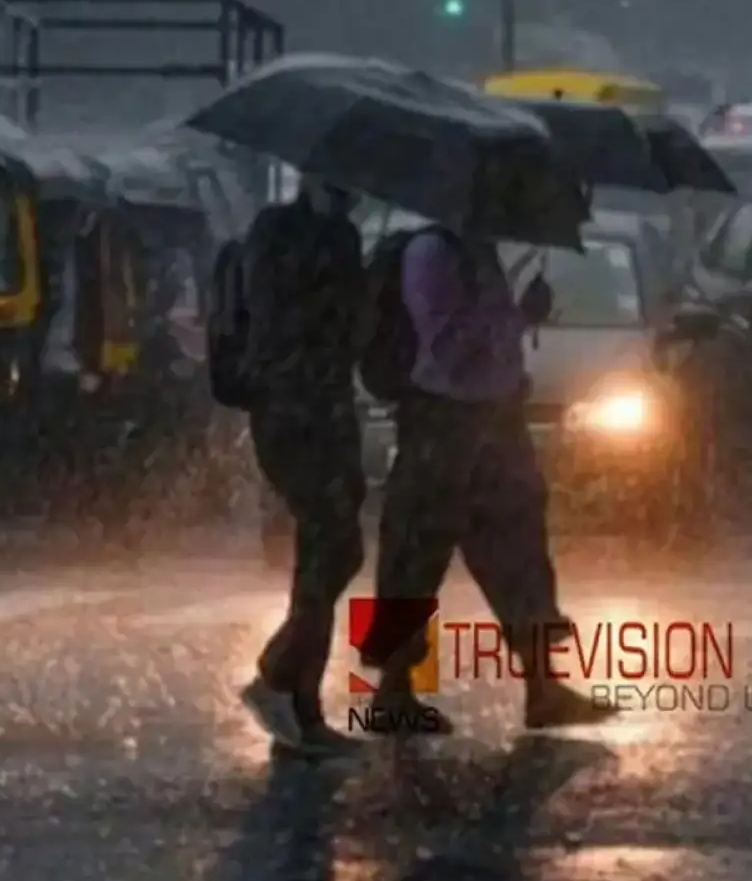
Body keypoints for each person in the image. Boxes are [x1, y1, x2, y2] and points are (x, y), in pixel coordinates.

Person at [357, 224, 619, 735]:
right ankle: (392, 690)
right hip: (444, 422)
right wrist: (514, 317)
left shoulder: (481, 251)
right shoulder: (431, 254)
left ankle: (544, 687)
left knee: (519, 553)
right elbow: (449, 347)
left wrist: (522, 317)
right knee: (415, 554)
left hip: (495, 420)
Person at [234, 177, 371, 758]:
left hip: (331, 406)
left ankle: (286, 682)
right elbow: (278, 318)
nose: (349, 193)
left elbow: (349, 332)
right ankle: (290, 694)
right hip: (291, 410)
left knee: (338, 549)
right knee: (327, 542)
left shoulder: (343, 236)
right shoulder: (277, 231)